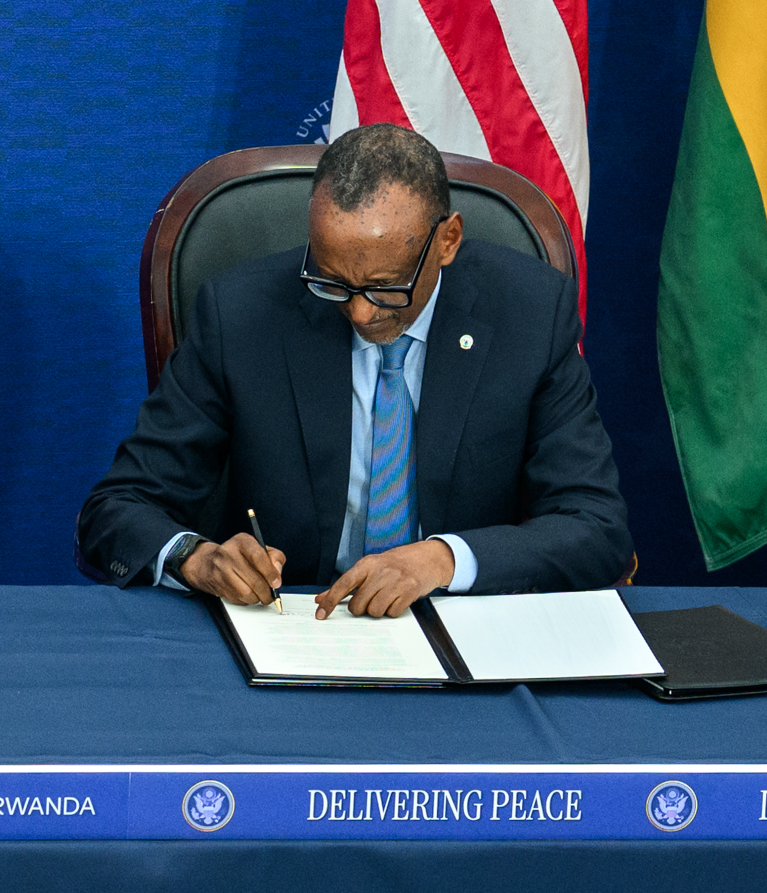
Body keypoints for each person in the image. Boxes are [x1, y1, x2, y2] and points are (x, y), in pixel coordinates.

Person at [81, 124, 630, 616]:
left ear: (447, 241)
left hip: (462, 629)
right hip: (294, 623)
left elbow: (596, 528)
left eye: (386, 287)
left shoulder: (530, 313)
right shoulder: (240, 314)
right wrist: (195, 557)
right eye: (333, 282)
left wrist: (443, 559)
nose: (360, 313)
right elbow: (117, 510)